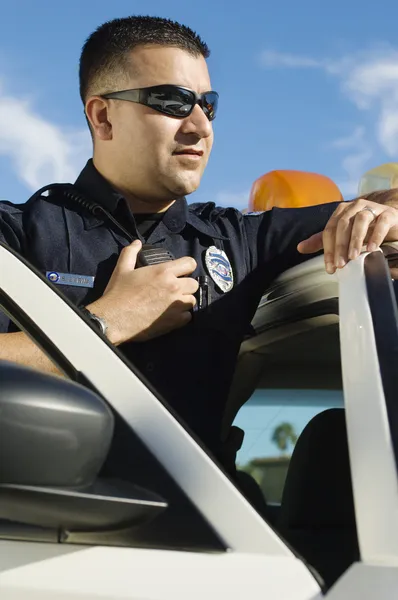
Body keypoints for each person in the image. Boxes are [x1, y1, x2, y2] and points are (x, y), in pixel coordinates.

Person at [1, 15, 398, 468]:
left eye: (207, 105)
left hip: (214, 529)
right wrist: (105, 325)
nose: (200, 126)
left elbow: (386, 206)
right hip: (48, 527)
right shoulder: (13, 238)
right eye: (171, 101)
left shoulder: (240, 240)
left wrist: (382, 208)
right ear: (103, 116)